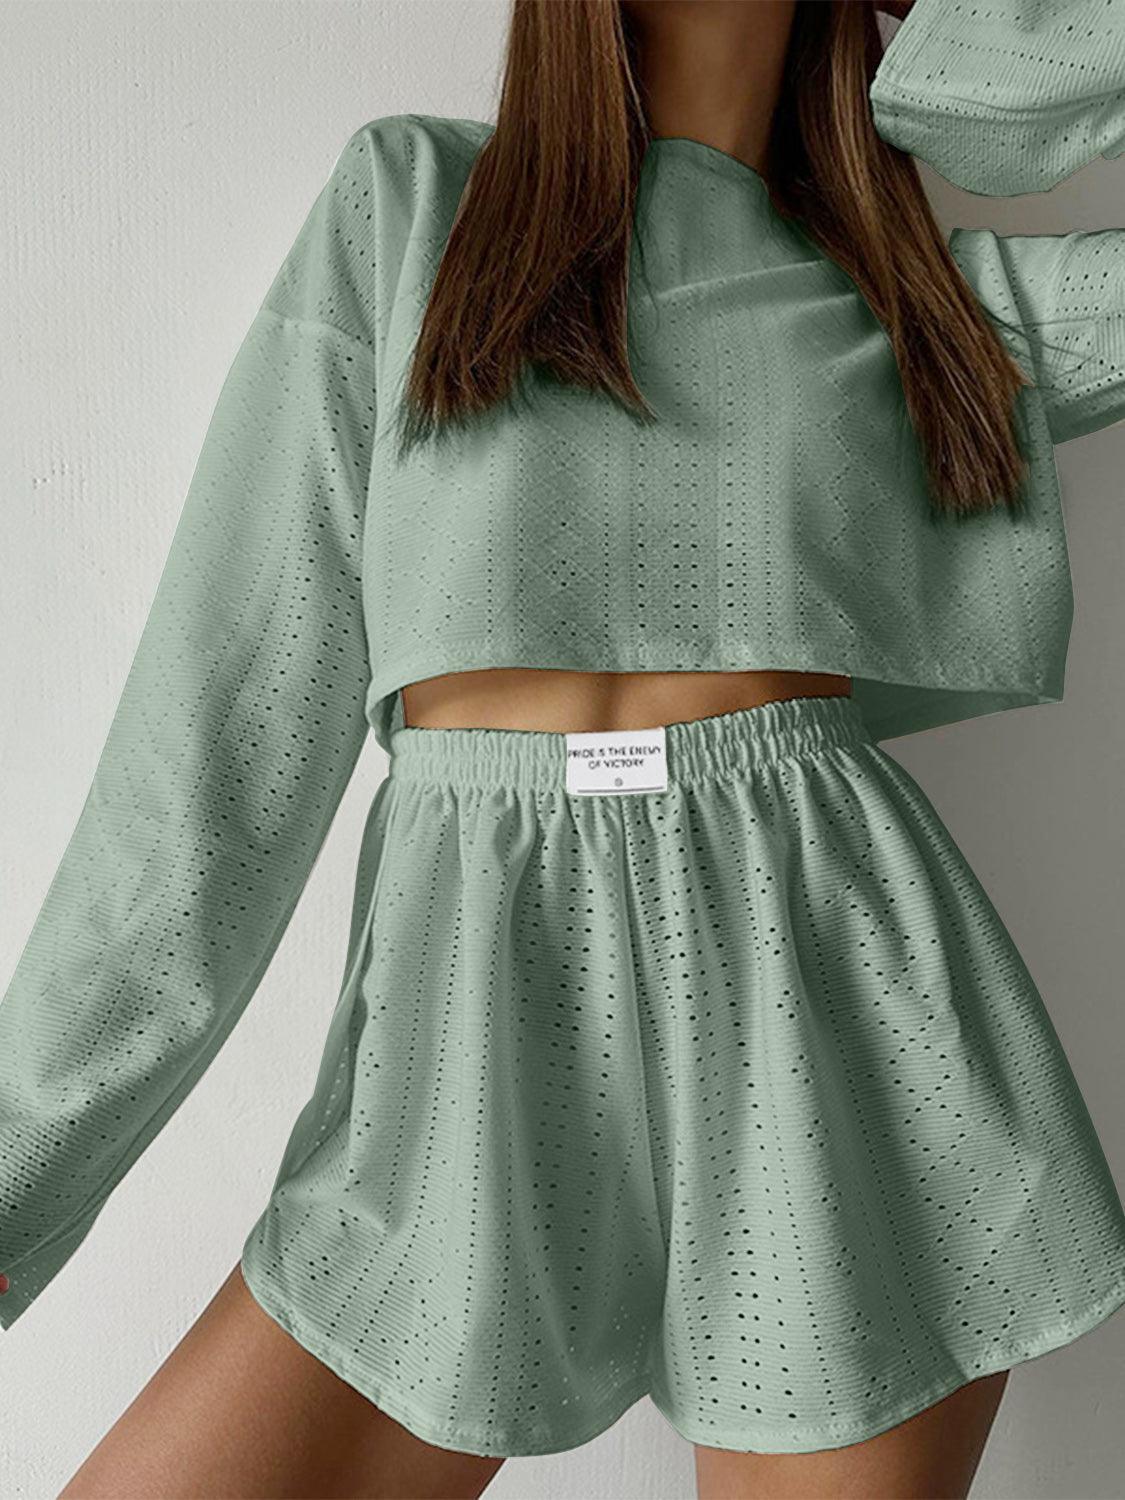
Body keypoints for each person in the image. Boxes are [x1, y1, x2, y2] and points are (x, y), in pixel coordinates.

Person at [2, 1, 1124, 1496]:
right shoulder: (414, 206)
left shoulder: (933, 302)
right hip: (466, 1032)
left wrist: (955, 51)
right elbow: (205, 776)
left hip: (836, 1026)